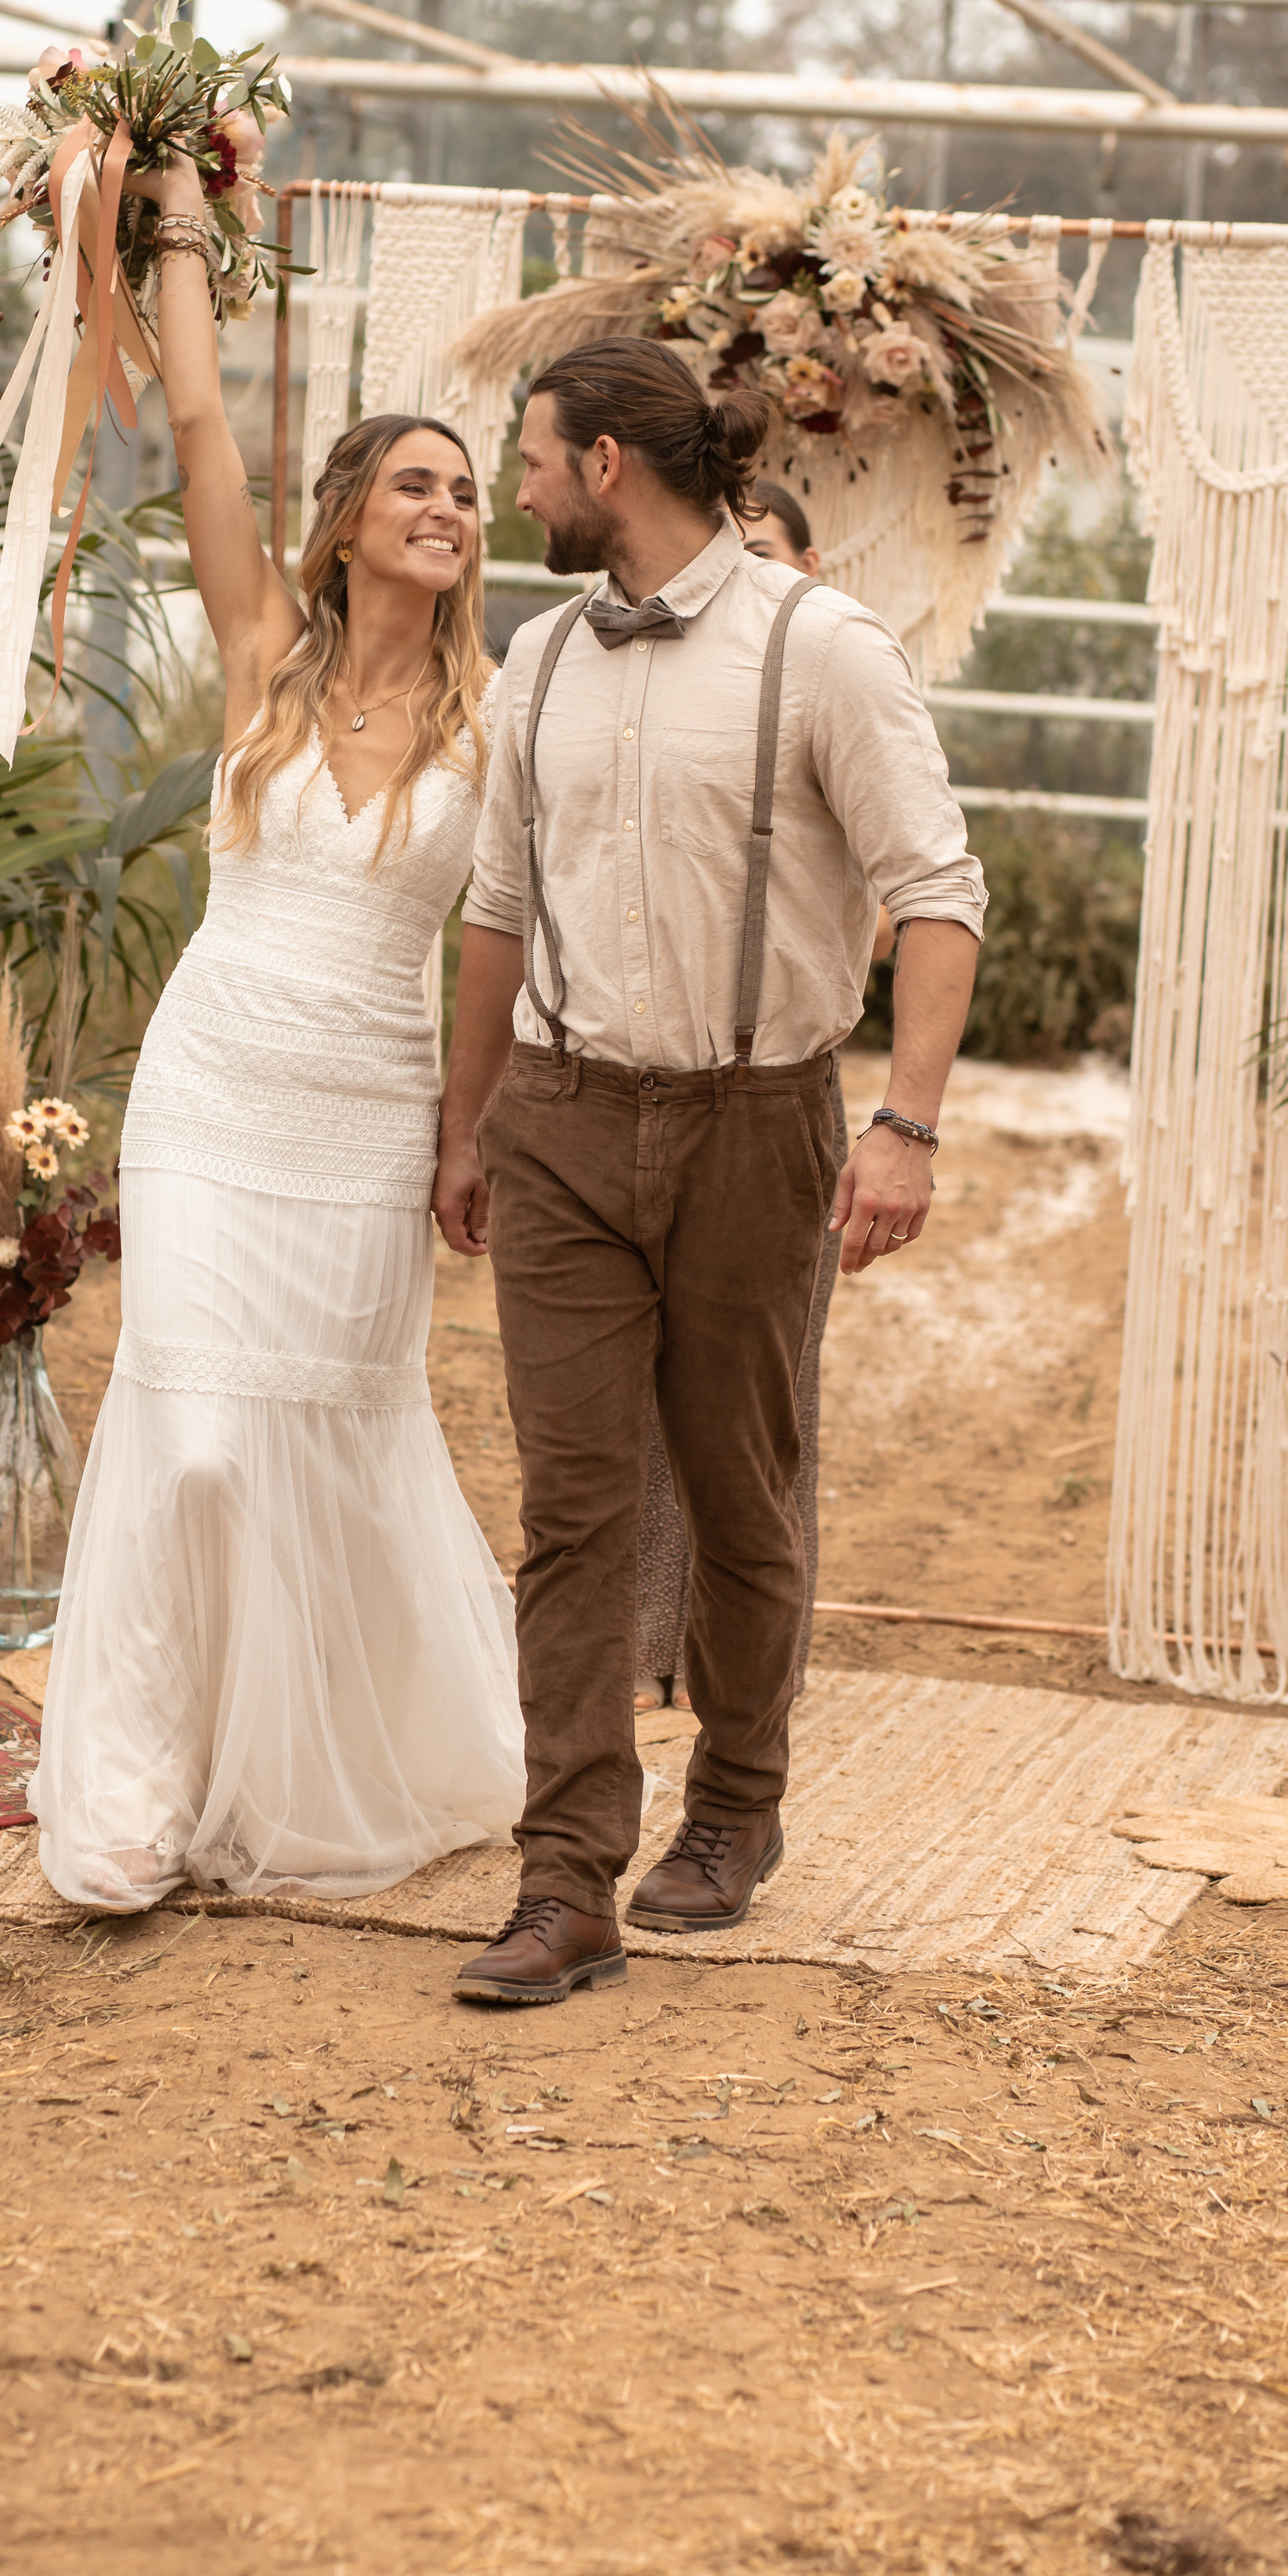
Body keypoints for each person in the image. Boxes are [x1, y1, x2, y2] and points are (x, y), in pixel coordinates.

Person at [435, 336, 982, 2004]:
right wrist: (462, 1127)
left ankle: (735, 1806)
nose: (511, 489)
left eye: (530, 457)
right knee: (575, 1508)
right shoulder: (534, 663)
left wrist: (901, 1126)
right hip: (563, 1122)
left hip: (757, 1125)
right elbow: (493, 913)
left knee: (740, 1490)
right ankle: (563, 1878)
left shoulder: (820, 651)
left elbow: (938, 894)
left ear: (606, 464)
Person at [28, 147, 524, 1913]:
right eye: (415, 480)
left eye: (468, 490)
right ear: (342, 519)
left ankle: (325, 1755)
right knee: (196, 1437)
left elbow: (498, 947)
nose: (450, 507)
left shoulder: (500, 718)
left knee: (325, 1438)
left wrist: (468, 1136)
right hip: (213, 1089)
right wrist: (169, 211)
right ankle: (135, 1794)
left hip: (369, 1116)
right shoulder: (261, 652)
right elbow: (199, 434)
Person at [634, 475, 883, 1710]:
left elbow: (888, 904)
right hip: (631, 1089)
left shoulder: (836, 685)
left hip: (774, 1085)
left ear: (806, 562)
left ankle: (742, 1668)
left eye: (761, 548)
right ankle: (645, 1645)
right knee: (631, 1403)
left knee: (762, 1406)